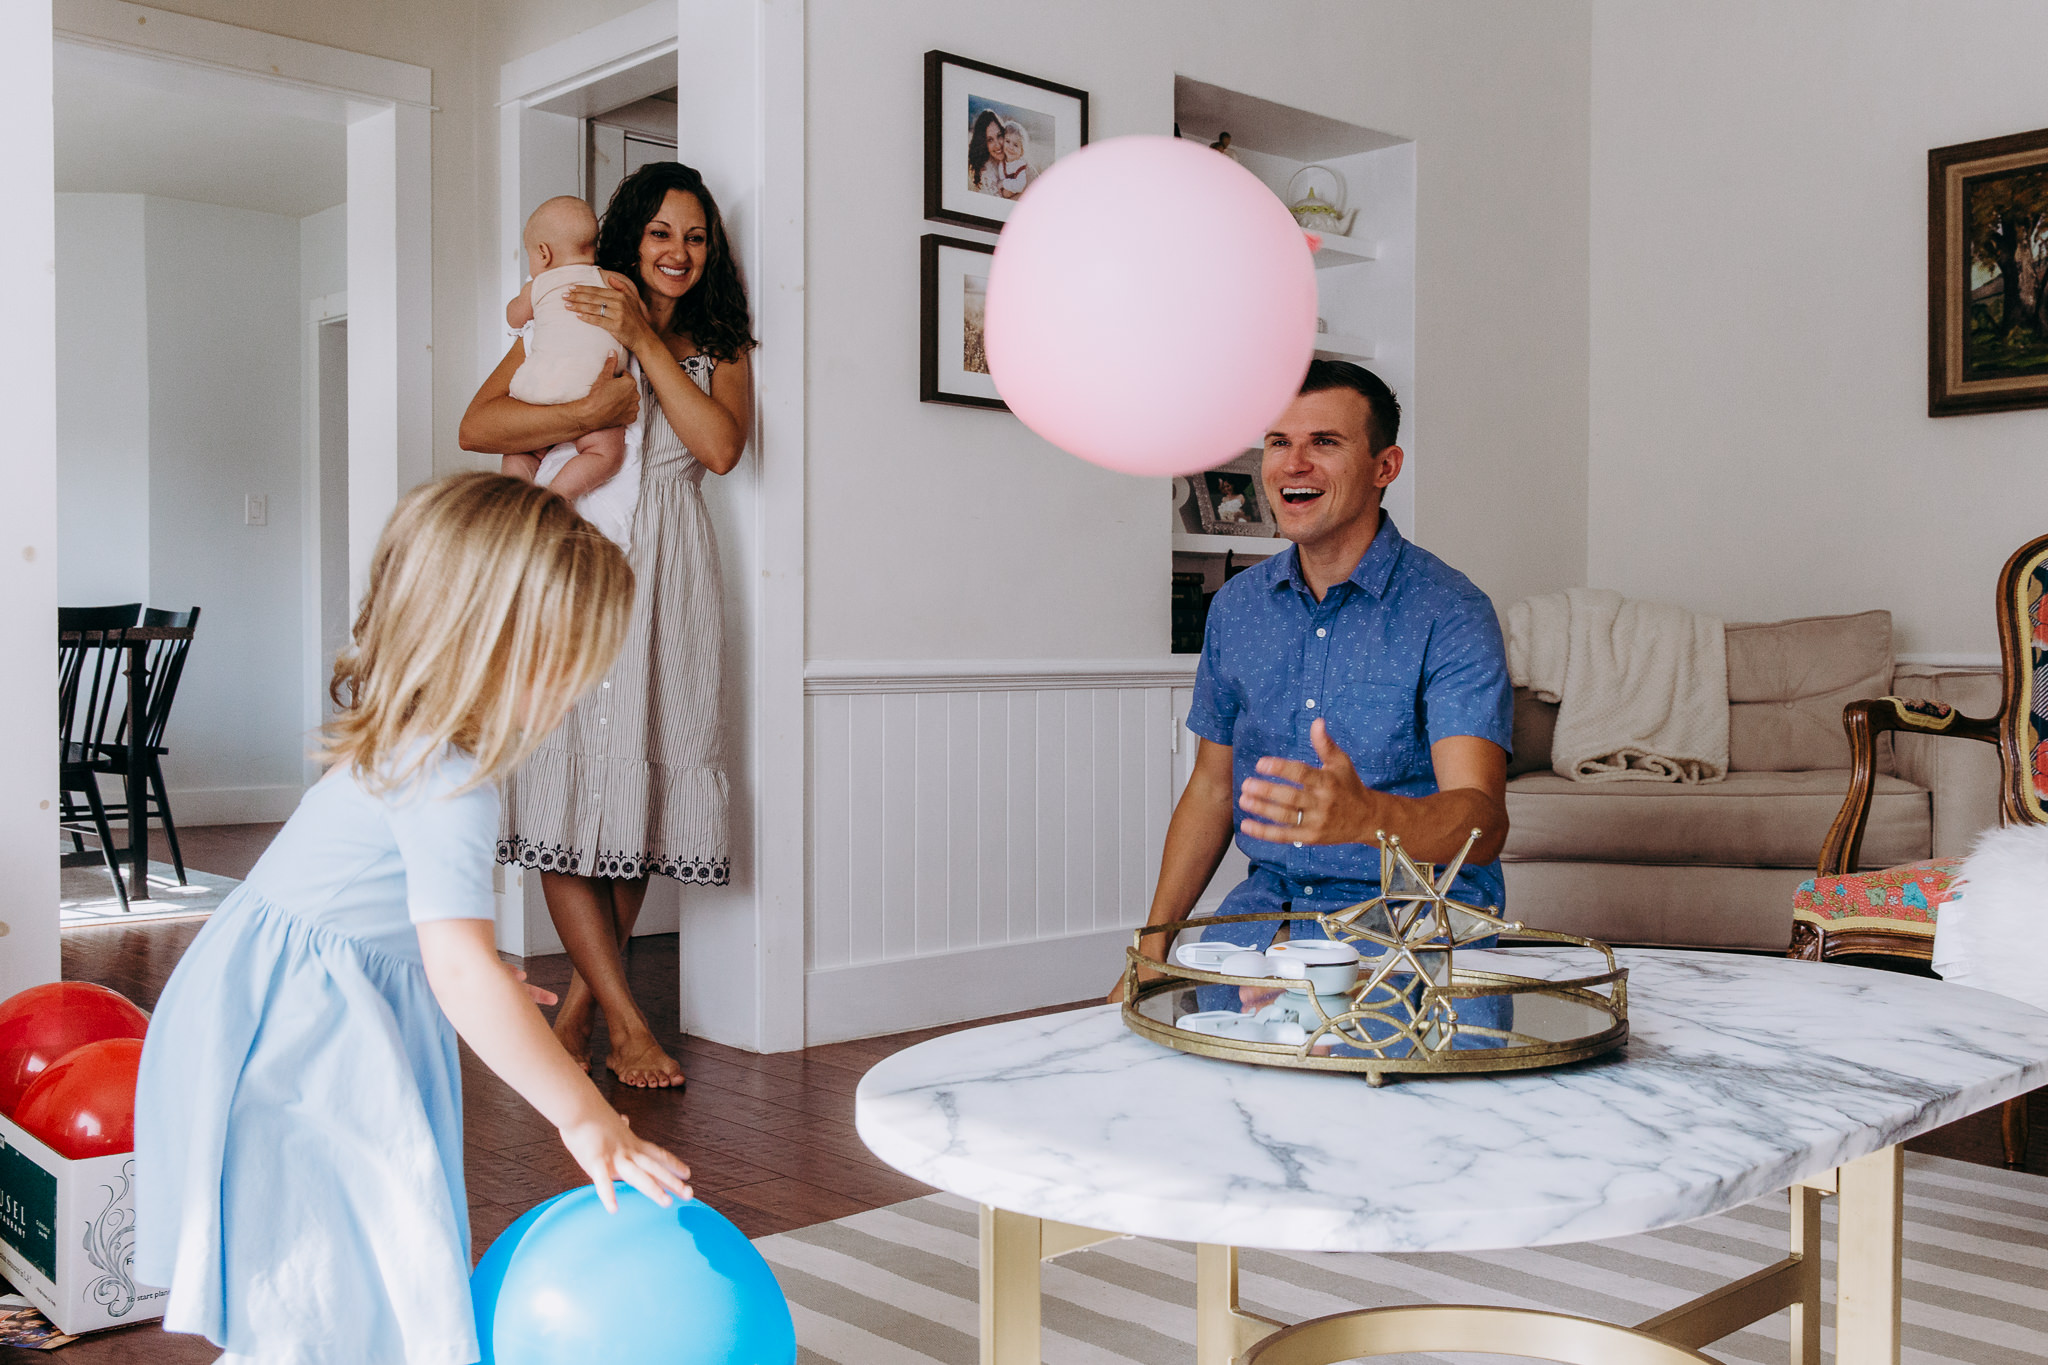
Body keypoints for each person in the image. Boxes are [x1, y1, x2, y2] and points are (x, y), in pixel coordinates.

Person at [135, 473, 693, 1365]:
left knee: (327, 1275)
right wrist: (585, 1114)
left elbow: (382, 908)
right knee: (340, 1263)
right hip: (304, 1046)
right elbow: (460, 970)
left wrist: (434, 954)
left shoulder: (410, 744)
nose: (577, 693)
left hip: (278, 1013)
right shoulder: (450, 778)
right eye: (566, 665)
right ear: (492, 643)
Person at [460, 162, 753, 1089]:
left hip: (677, 577)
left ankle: (584, 1008)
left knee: (644, 790)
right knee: (567, 783)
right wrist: (593, 409)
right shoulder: (574, 307)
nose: (679, 252)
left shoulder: (720, 342)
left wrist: (647, 344)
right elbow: (479, 422)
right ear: (631, 236)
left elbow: (719, 447)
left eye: (697, 237)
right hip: (582, 568)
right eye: (663, 233)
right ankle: (627, 1022)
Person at [1108, 360, 1512, 1004]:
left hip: (1415, 925)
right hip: (1268, 919)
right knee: (1185, 1060)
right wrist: (1154, 946)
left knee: (1355, 1068)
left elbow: (1483, 826)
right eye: (1278, 442)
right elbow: (1213, 790)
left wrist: (1368, 817)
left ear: (1386, 467)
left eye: (1324, 442)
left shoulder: (1451, 613)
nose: (1293, 463)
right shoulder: (1237, 608)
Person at [502, 195, 646, 550]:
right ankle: (560, 496)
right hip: (593, 388)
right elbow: (643, 318)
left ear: (543, 254)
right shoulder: (613, 282)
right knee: (605, 454)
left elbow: (514, 318)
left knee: (518, 451)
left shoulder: (537, 286)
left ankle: (518, 500)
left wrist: (526, 301)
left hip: (537, 391)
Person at [969, 108, 1005, 195]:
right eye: (990, 140)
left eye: (999, 135)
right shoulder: (986, 175)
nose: (997, 145)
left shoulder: (1017, 158)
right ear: (984, 144)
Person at [996, 120, 1032, 198]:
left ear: (1021, 150)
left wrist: (1003, 183)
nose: (1011, 147)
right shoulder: (1002, 163)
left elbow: (1020, 186)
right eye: (1007, 141)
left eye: (1016, 145)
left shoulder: (1020, 164)